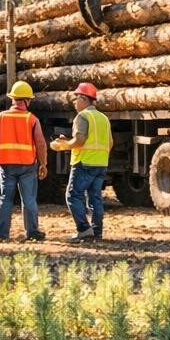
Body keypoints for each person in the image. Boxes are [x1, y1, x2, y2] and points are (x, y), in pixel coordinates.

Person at [0, 80, 47, 242]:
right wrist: (43, 164)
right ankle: (32, 232)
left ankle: (0, 234)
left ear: (13, 99)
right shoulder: (32, 119)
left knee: (5, 199)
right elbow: (40, 143)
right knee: (28, 200)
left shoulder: (0, 117)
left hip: (6, 166)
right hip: (27, 165)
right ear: (27, 101)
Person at [51, 82, 111, 242]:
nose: (75, 103)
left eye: (76, 99)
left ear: (84, 99)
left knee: (72, 195)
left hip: (84, 162)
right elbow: (110, 142)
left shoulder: (82, 116)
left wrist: (64, 145)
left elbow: (79, 140)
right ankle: (97, 231)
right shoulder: (103, 118)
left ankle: (84, 229)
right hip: (101, 163)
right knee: (95, 197)